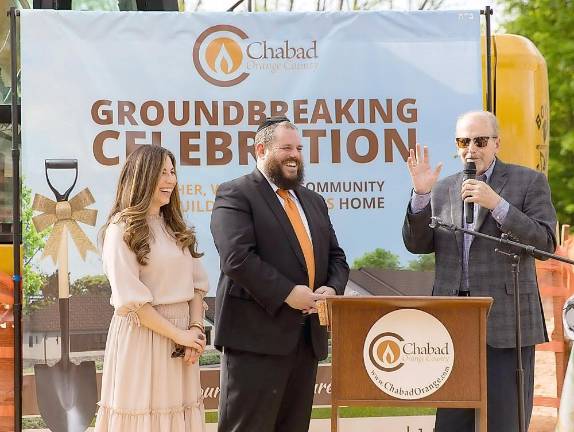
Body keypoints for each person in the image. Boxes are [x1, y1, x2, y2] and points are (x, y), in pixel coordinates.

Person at [402, 110, 557, 432]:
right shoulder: (442, 188)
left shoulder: (528, 181)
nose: (471, 149)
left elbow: (545, 243)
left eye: (480, 141)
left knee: (505, 420)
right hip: (454, 320)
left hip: (506, 318)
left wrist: (498, 205)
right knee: (452, 421)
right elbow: (417, 245)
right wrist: (420, 196)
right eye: (463, 141)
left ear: (496, 143)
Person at [210, 116, 349, 432]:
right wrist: (288, 293)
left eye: (299, 148)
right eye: (286, 147)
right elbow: (236, 258)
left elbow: (337, 258)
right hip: (253, 343)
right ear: (261, 149)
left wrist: (331, 289)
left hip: (305, 341)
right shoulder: (236, 194)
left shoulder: (313, 201)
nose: (295, 155)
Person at [95, 145, 208, 431]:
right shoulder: (120, 229)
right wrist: (180, 336)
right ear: (142, 177)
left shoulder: (175, 226)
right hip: (144, 338)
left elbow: (197, 286)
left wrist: (195, 330)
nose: (170, 180)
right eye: (162, 173)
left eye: (172, 172)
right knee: (145, 417)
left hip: (182, 340)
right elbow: (132, 302)